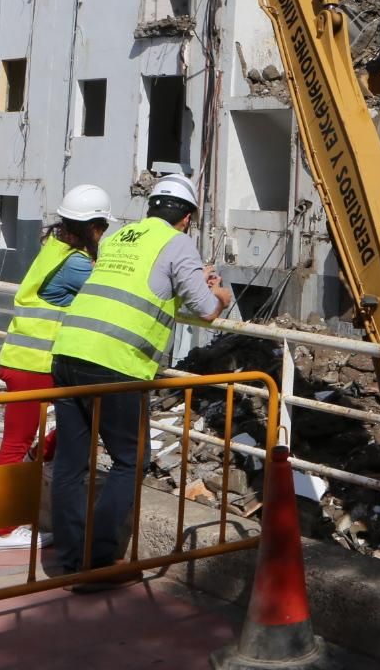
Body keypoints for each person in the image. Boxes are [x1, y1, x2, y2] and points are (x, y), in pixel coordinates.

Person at [46, 174, 233, 588]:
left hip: (69, 350)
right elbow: (204, 310)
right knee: (131, 459)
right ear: (186, 219)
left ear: (151, 209)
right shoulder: (178, 243)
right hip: (116, 362)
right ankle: (98, 563)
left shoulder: (119, 237)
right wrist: (222, 293)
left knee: (72, 463)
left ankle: (71, 558)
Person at [0, 184, 113, 551]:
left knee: (81, 422)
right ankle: (4, 529)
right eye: (102, 227)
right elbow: (109, 292)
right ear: (91, 226)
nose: (103, 234)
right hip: (34, 365)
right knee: (15, 443)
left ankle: (38, 460)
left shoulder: (55, 249)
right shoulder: (74, 263)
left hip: (30, 363)